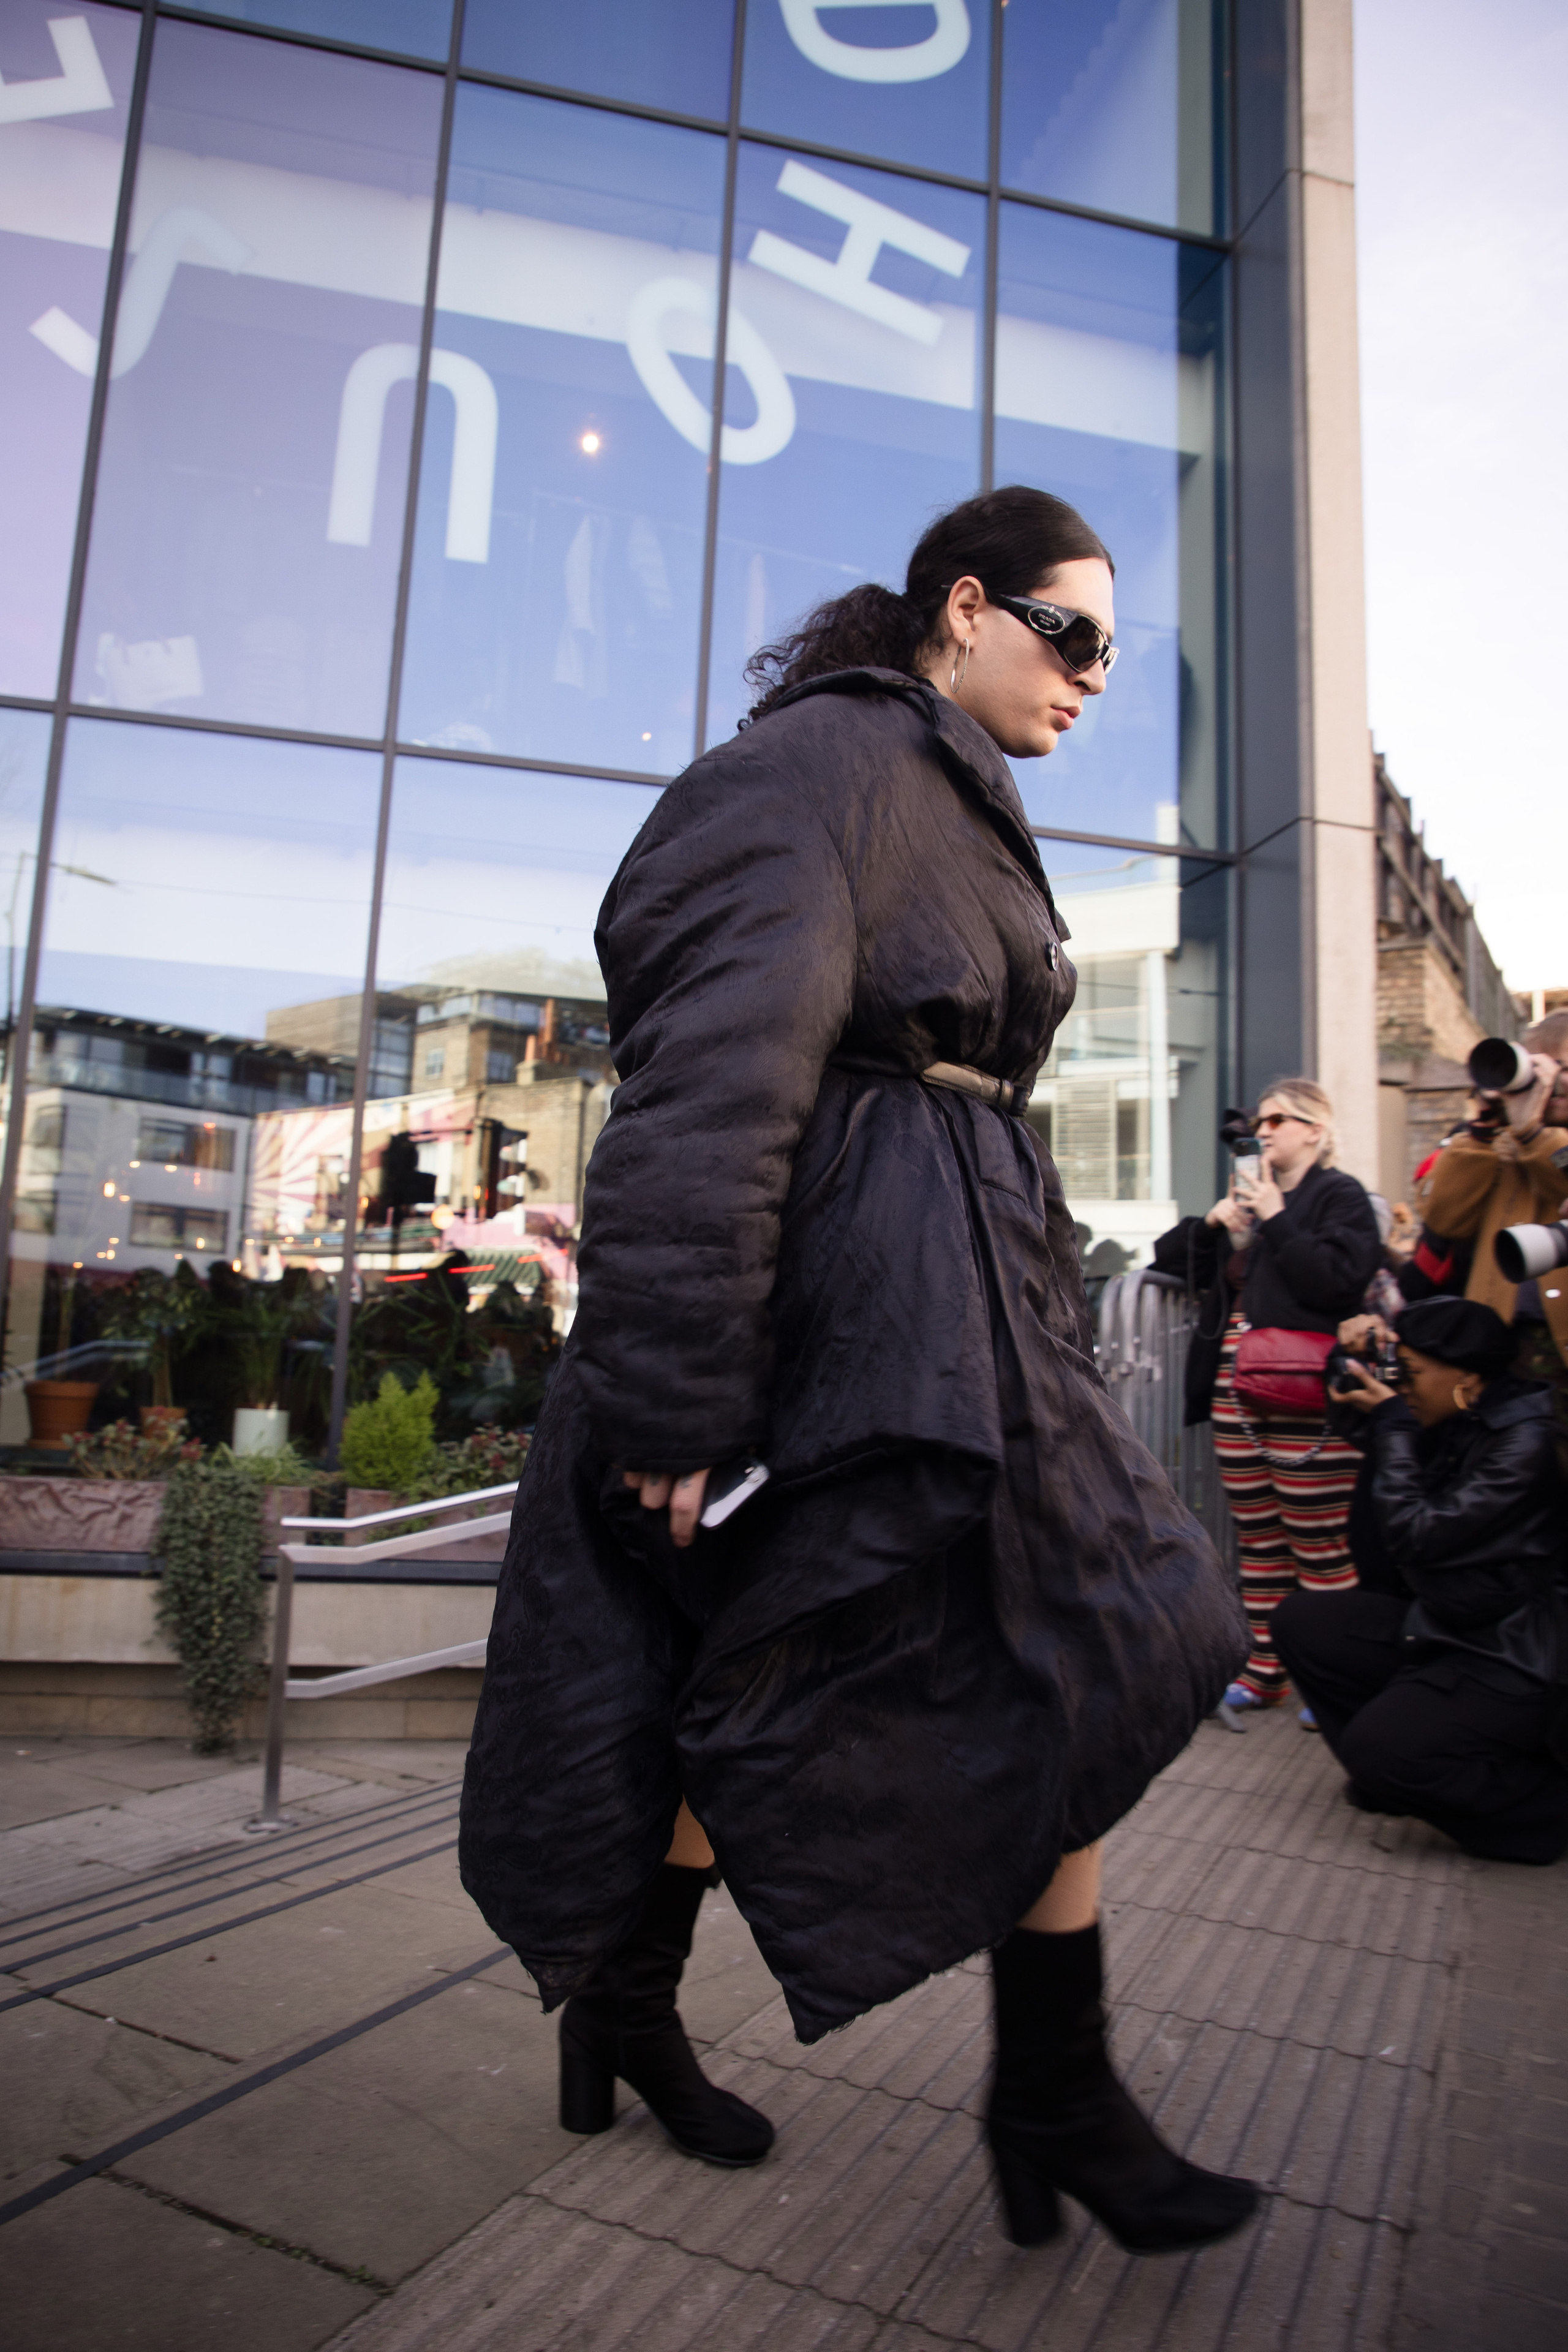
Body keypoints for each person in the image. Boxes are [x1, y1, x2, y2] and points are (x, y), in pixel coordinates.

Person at [459, 485, 1257, 2255]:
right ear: (964, 607)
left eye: (1113, 654)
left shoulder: (941, 790)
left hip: (956, 1300)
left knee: (921, 1654)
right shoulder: (818, 771)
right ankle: (1030, 2084)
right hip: (853, 1321)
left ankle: (696, 2020)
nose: (1093, 679)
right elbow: (710, 1091)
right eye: (1071, 634)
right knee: (1060, 1650)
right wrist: (679, 1394)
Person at [1272, 1300, 1568, 1864]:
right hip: (1446, 1624)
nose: (1398, 1385)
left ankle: (1538, 1810)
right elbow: (1359, 1422)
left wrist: (1397, 1428)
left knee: (1381, 1753)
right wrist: (1347, 1359)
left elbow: (1417, 1533)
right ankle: (1397, 1763)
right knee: (1303, 1623)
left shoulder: (1524, 1444)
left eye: (1409, 1372)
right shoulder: (1456, 1415)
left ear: (1468, 1379)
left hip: (1513, 1655)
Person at [1154, 1082, 1381, 1714]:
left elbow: (1335, 1281)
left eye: (1279, 1119)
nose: (1264, 1129)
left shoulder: (1339, 1196)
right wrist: (1216, 1224)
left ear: (1315, 1130)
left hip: (1306, 1389)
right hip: (1236, 1385)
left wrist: (1279, 1219)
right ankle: (1264, 1670)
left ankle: (1333, 1682)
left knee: (1320, 1540)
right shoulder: (1248, 1199)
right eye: (1260, 1120)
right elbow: (1170, 1262)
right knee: (1259, 1538)